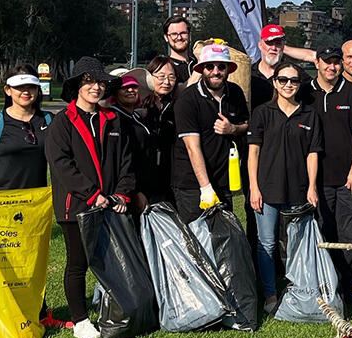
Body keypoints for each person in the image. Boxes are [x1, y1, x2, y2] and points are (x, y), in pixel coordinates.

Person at [0, 65, 67, 328]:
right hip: (0, 205)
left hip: (35, 206)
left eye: (31, 86)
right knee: (5, 263)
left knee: (33, 260)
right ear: (7, 90)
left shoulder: (48, 121)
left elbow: (59, 160)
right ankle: (5, 313)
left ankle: (41, 313)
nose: (25, 92)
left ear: (38, 89)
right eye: (19, 87)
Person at [45, 57, 135, 338]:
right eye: (89, 82)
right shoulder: (62, 122)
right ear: (77, 86)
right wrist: (92, 195)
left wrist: (122, 192)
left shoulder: (113, 119)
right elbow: (61, 166)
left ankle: (111, 306)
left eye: (100, 83)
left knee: (110, 260)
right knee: (77, 263)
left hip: (110, 203)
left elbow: (126, 162)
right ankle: (80, 319)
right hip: (77, 207)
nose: (96, 88)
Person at [247, 59, 322, 314]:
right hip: (267, 189)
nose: (288, 85)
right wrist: (254, 188)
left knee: (295, 244)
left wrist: (312, 186)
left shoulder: (309, 114)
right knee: (266, 243)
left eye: (293, 80)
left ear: (300, 84)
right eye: (283, 80)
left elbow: (313, 153)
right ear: (275, 83)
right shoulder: (262, 113)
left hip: (298, 189)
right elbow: (253, 153)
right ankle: (269, 294)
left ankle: (297, 288)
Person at [302, 46, 352, 294]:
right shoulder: (305, 92)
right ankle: (324, 285)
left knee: (349, 235)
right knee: (322, 233)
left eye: (336, 63)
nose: (332, 67)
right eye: (327, 62)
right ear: (317, 63)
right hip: (316, 180)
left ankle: (346, 287)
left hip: (347, 179)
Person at [171, 41, 250, 224]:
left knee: (223, 238)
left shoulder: (235, 93)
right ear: (201, 69)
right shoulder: (188, 100)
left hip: (223, 181)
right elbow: (192, 148)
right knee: (198, 241)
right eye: (209, 66)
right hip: (191, 183)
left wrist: (233, 129)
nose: (216, 71)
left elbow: (246, 125)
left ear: (229, 69)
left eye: (221, 66)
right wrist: (205, 188)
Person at [107, 73, 158, 213]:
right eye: (125, 87)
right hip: (130, 192)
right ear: (115, 93)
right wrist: (135, 192)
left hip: (150, 186)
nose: (131, 90)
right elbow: (123, 159)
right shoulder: (115, 119)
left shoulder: (137, 116)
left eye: (134, 87)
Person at [143, 56, 178, 205]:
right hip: (144, 177)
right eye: (161, 77)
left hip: (170, 176)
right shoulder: (140, 105)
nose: (167, 82)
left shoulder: (178, 105)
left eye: (172, 77)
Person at [250, 24, 286, 111]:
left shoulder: (292, 75)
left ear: (283, 47)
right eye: (269, 43)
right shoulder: (248, 74)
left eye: (278, 44)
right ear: (260, 45)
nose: (273, 48)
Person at [163, 15, 196, 87]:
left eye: (183, 33)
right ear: (166, 37)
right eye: (174, 34)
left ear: (189, 35)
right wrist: (199, 70)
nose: (179, 37)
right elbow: (178, 94)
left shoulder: (196, 63)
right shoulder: (164, 66)